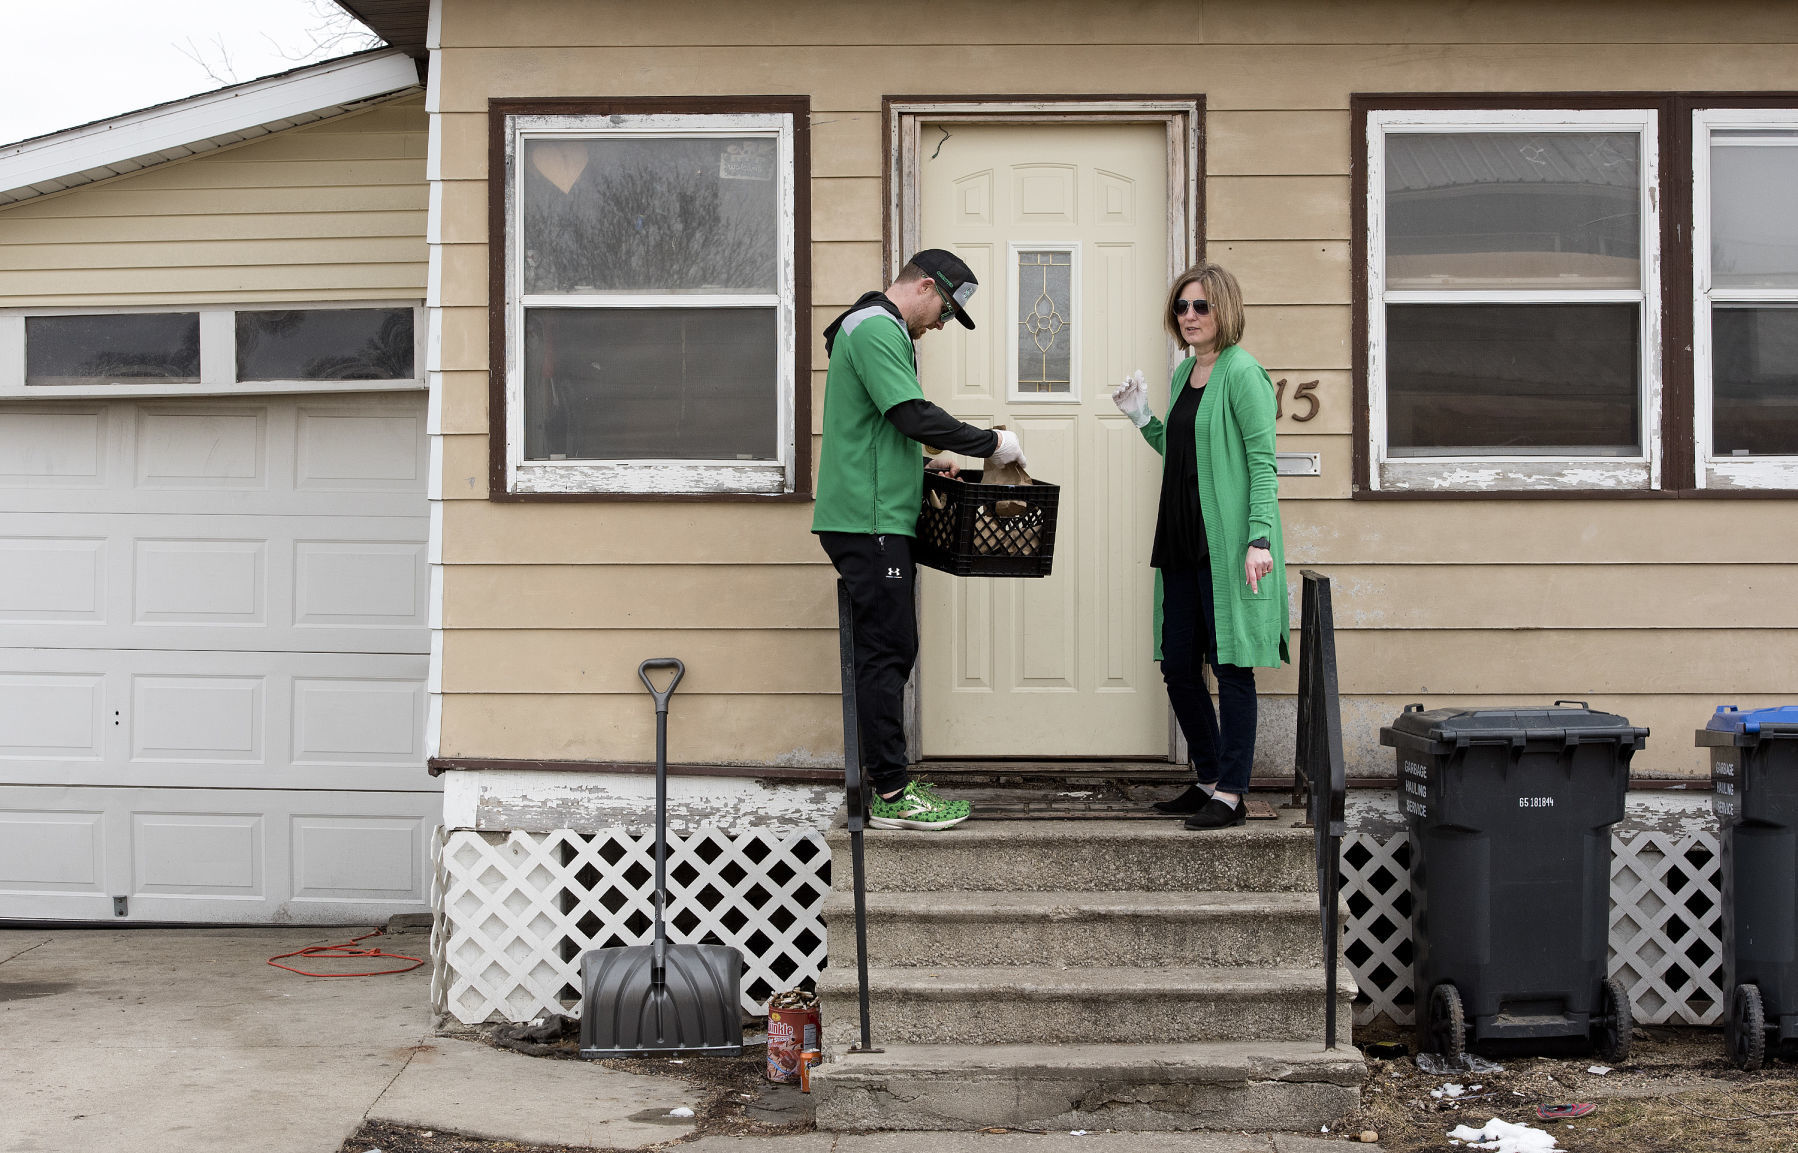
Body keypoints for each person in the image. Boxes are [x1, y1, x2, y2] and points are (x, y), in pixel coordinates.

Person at [813, 248, 1025, 832]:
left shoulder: (878, 327)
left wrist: (923, 466)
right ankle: (891, 792)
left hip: (876, 513)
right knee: (888, 650)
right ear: (927, 286)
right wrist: (991, 443)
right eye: (947, 310)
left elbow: (879, 427)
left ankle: (889, 781)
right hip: (868, 520)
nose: (943, 324)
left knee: (890, 648)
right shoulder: (876, 328)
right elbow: (910, 414)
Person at [1110, 262, 1289, 831]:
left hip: (1229, 546)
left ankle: (1232, 794)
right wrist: (1144, 419)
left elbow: (1263, 465)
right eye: (1182, 306)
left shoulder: (1243, 373)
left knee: (1231, 666)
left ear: (1224, 310)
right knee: (1179, 666)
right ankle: (1209, 779)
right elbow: (1185, 454)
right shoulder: (1186, 373)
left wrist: (1258, 538)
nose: (1189, 316)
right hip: (1182, 542)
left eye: (1201, 306)